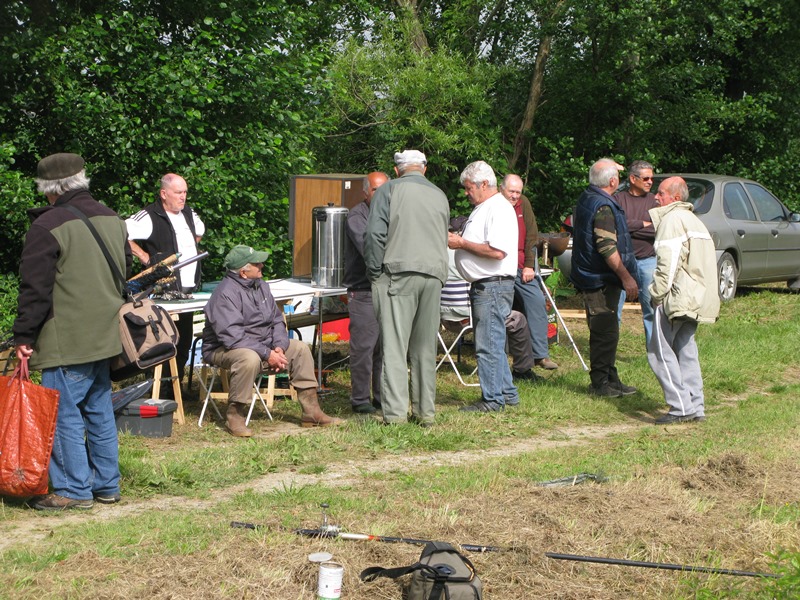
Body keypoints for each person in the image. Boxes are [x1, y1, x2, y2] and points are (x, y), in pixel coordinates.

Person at [14, 153, 130, 510]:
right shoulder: (113, 218)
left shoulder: (47, 225)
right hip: (106, 332)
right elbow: (124, 271)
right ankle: (106, 485)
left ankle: (73, 490)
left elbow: (35, 289)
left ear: (47, 187)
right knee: (99, 410)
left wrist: (24, 336)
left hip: (67, 337)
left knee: (62, 413)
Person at [202, 245, 342, 437]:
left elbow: (276, 319)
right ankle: (235, 416)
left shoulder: (261, 285)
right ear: (243, 272)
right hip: (223, 348)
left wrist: (279, 347)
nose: (262, 265)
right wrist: (267, 354)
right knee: (248, 358)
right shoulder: (224, 294)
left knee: (300, 349)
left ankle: (312, 412)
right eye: (256, 263)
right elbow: (233, 337)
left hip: (262, 344)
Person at [364, 150, 449, 426]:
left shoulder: (388, 190)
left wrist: (375, 272)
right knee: (425, 348)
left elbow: (374, 235)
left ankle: (396, 416)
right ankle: (425, 413)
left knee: (395, 347)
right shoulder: (439, 194)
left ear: (396, 170)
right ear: (424, 169)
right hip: (434, 276)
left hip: (398, 274)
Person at [648, 177, 720, 424]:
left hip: (676, 298)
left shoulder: (671, 220)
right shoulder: (695, 221)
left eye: (661, 193)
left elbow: (667, 264)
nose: (656, 197)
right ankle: (696, 407)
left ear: (675, 198)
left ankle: (680, 407)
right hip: (696, 298)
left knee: (659, 352)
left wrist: (657, 294)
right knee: (686, 351)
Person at [450, 161, 520, 411]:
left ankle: (492, 400)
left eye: (469, 188)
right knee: (493, 342)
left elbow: (497, 251)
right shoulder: (488, 207)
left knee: (487, 345)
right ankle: (507, 393)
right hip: (489, 285)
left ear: (483, 184)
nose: (466, 193)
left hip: (492, 285)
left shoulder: (497, 208)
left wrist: (461, 244)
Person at [125, 174, 205, 390]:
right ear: (163, 193)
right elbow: (121, 233)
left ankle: (176, 389)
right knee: (162, 341)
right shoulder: (150, 215)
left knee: (184, 341)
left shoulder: (188, 213)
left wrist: (187, 247)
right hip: (162, 293)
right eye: (178, 193)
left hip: (186, 292)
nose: (183, 197)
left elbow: (199, 232)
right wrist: (146, 258)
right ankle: (159, 390)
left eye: (185, 192)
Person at [570, 158, 639, 398]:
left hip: (593, 276)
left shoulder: (589, 196)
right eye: (617, 177)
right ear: (612, 181)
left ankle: (611, 378)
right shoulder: (603, 206)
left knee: (608, 331)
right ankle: (600, 383)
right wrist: (626, 277)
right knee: (603, 332)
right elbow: (607, 247)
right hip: (599, 279)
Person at [442, 241, 541, 382]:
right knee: (517, 319)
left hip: (444, 318)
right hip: (475, 317)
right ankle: (522, 370)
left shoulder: (439, 256)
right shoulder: (470, 259)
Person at [500, 174, 558, 372]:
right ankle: (503, 353)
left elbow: (532, 235)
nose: (515, 196)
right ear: (501, 189)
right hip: (499, 266)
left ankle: (540, 354)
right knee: (503, 307)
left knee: (536, 300)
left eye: (518, 192)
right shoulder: (494, 204)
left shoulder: (523, 203)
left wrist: (529, 265)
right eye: (511, 192)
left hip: (520, 264)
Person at [343, 171, 389, 414]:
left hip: (387, 289)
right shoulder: (357, 216)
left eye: (385, 190)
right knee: (364, 347)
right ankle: (360, 399)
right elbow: (369, 249)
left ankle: (381, 397)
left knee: (384, 347)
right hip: (363, 290)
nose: (381, 195)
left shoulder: (391, 214)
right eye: (375, 190)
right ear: (365, 192)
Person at [615, 160, 659, 344]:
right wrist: (643, 224)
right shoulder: (618, 199)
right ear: (633, 179)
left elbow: (658, 229)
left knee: (651, 309)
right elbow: (617, 226)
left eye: (651, 178)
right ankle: (609, 352)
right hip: (621, 262)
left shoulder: (655, 201)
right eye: (646, 178)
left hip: (648, 261)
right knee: (614, 310)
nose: (650, 182)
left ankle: (655, 351)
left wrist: (629, 227)